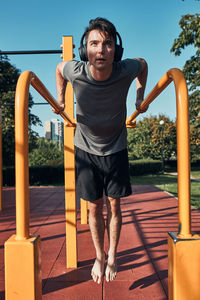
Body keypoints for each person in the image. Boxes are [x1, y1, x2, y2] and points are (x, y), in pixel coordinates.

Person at [53, 17, 148, 284]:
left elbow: (143, 64)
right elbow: (60, 68)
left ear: (116, 50)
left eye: (107, 44)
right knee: (94, 209)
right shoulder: (76, 70)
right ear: (86, 50)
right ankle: (98, 256)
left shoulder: (125, 69)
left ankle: (113, 255)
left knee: (114, 206)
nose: (101, 50)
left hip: (116, 146)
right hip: (85, 148)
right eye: (94, 44)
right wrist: (61, 99)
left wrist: (140, 96)